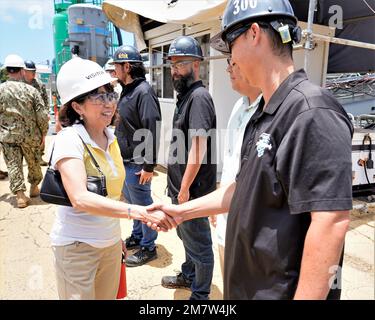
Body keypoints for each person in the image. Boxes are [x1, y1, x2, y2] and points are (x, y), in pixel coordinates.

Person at [148, 0, 353, 300]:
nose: (231, 60)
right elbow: (240, 189)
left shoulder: (311, 111)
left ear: (254, 33)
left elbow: (331, 222)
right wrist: (181, 212)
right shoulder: (264, 115)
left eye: (231, 46)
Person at [51, 56, 174, 300]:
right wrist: (137, 212)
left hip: (108, 246)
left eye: (110, 95)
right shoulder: (69, 139)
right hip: (77, 249)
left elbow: (110, 195)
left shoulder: (112, 138)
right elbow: (80, 198)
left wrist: (115, 238)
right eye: (98, 96)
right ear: (77, 107)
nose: (109, 103)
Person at [160, 36, 217, 301]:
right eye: (171, 65)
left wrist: (184, 190)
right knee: (187, 239)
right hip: (180, 188)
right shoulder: (185, 97)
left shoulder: (199, 98)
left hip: (192, 191)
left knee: (201, 245)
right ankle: (189, 274)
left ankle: (200, 295)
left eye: (179, 64)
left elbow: (198, 147)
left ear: (196, 64)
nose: (174, 70)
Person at [210, 56, 262, 277]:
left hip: (251, 231)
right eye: (228, 64)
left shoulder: (271, 110)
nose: (228, 69)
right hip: (226, 223)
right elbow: (231, 160)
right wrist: (218, 200)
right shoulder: (239, 106)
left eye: (234, 63)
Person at [112, 45, 162, 267]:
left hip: (138, 162)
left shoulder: (144, 91)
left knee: (143, 206)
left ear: (127, 66)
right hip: (125, 160)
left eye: (116, 66)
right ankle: (137, 236)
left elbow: (151, 127)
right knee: (132, 204)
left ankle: (148, 247)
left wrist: (149, 165)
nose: (114, 70)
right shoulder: (127, 89)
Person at [0, 54, 49, 208]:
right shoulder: (31, 90)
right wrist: (43, 133)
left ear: (7, 71)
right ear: (22, 71)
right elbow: (42, 115)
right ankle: (34, 188)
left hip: (8, 135)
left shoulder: (0, 89)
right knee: (34, 162)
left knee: (13, 165)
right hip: (30, 135)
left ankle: (20, 196)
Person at [23, 60, 50, 166]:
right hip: (24, 116)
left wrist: (46, 112)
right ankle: (27, 158)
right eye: (31, 71)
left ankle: (39, 157)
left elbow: (45, 100)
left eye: (34, 70)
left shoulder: (39, 84)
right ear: (24, 71)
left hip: (37, 115)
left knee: (41, 136)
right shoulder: (20, 84)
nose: (33, 73)